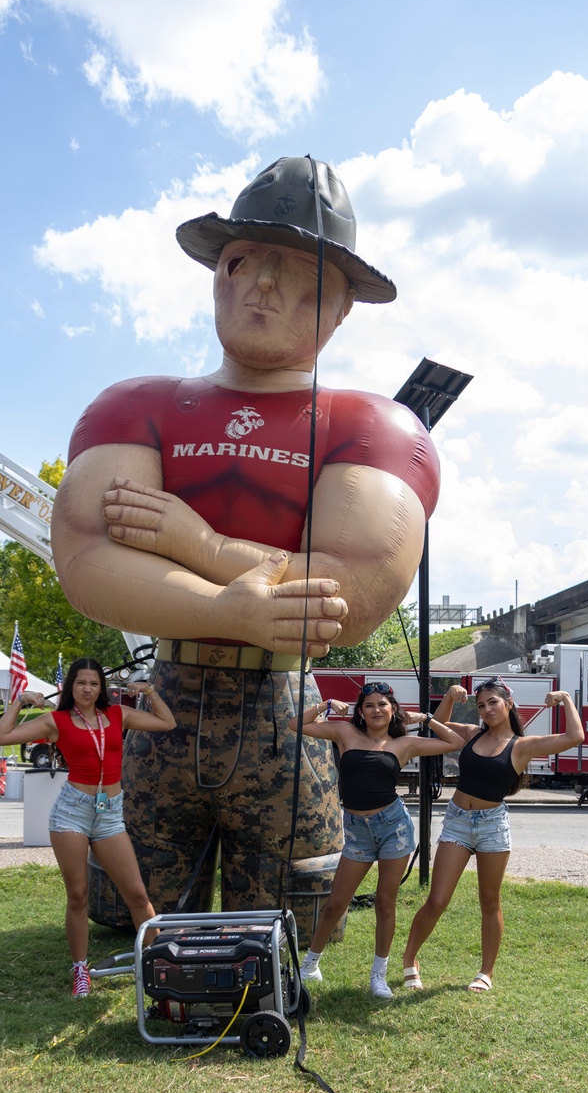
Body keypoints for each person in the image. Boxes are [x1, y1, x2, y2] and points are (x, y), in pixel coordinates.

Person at [51, 156, 441, 936]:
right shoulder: (137, 404)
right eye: (245, 261)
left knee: (287, 922)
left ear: (339, 311)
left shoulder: (374, 426)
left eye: (298, 272)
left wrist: (193, 540)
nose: (263, 284)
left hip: (284, 713)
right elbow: (89, 554)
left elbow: (350, 588)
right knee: (127, 912)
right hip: (168, 700)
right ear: (218, 276)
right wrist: (233, 603)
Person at [0, 658, 176, 997]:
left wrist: (149, 690)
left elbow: (167, 722)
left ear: (101, 688)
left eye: (93, 683)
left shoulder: (118, 714)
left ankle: (158, 962)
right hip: (72, 814)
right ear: (69, 688)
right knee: (78, 896)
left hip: (110, 815)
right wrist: (19, 702)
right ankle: (80, 970)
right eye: (80, 683)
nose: (88, 689)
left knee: (136, 893)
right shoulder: (55, 720)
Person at [403, 678, 585, 993]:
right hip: (458, 822)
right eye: (482, 705)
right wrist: (449, 695)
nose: (487, 710)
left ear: (508, 704)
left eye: (493, 703)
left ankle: (485, 972)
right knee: (437, 899)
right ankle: (410, 960)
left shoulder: (524, 746)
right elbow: (439, 724)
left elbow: (575, 736)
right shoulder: (474, 734)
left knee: (489, 901)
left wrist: (566, 698)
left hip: (492, 826)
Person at [289, 683, 463, 998]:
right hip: (357, 830)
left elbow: (455, 740)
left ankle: (378, 975)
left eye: (382, 704)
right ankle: (310, 966)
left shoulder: (404, 743)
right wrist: (326, 703)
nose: (376, 710)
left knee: (385, 903)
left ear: (392, 709)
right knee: (334, 905)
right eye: (368, 705)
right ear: (360, 712)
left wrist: (424, 717)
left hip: (393, 828)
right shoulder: (345, 735)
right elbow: (296, 725)